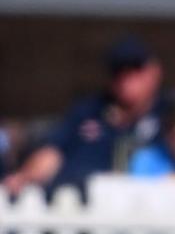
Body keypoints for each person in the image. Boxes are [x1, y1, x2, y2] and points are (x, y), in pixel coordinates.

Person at [3, 35, 163, 198]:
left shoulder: (167, 117)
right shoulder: (89, 111)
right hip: (74, 206)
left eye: (134, 70)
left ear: (154, 71)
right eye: (118, 71)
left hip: (143, 209)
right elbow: (52, 153)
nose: (126, 79)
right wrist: (25, 177)